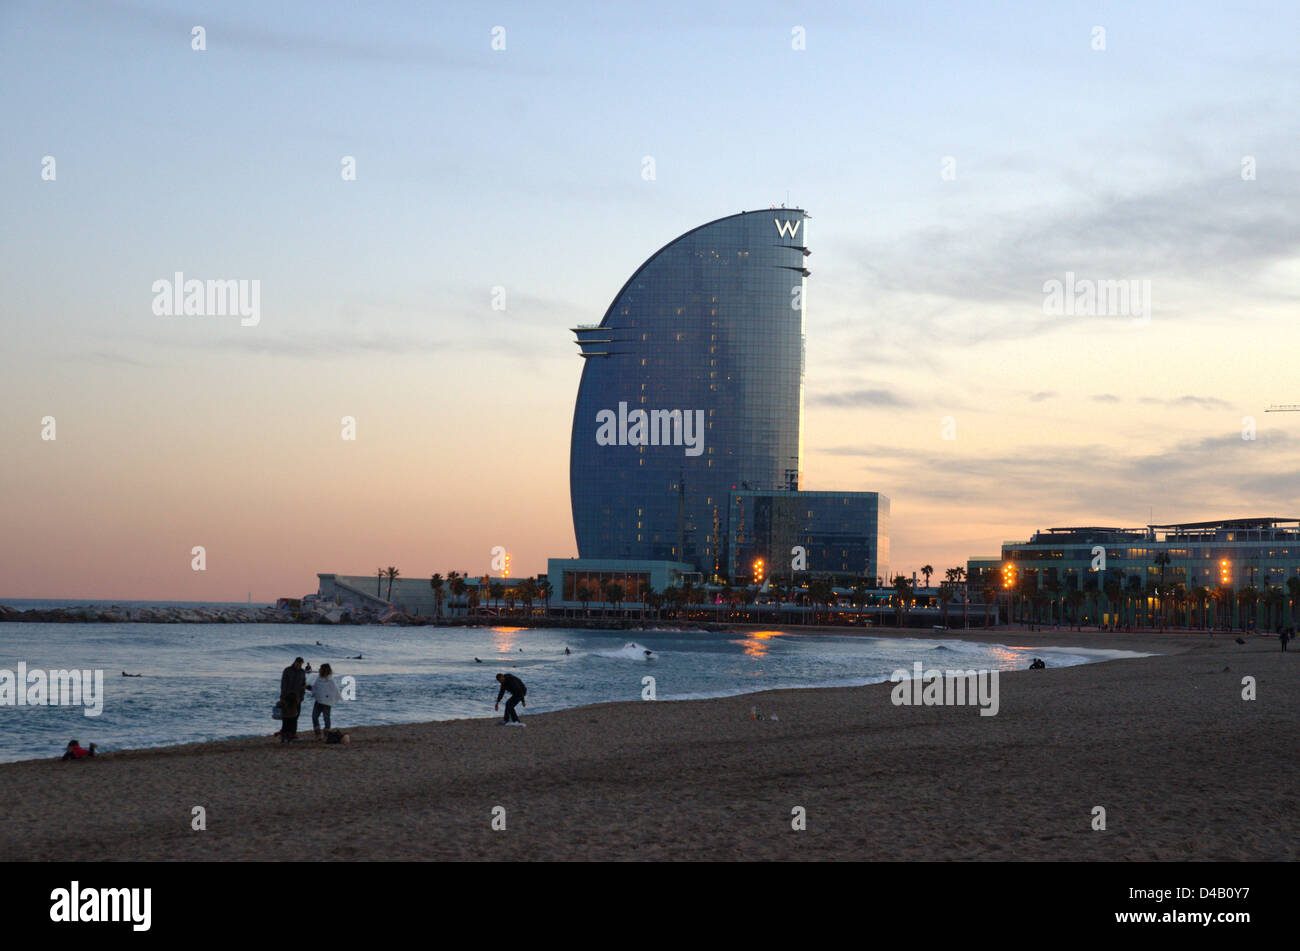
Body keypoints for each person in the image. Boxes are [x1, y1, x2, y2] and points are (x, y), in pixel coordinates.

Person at [279, 657, 307, 743]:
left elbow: (303, 685)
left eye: (301, 664)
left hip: (297, 698)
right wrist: (283, 697)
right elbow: (283, 684)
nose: (299, 665)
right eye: (298, 664)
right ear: (295, 662)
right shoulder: (287, 670)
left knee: (295, 716)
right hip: (287, 698)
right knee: (286, 717)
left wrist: (302, 696)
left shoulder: (302, 672)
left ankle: (292, 734)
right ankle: (284, 735)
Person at [309, 663, 341, 739]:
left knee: (326, 717)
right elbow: (315, 688)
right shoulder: (318, 678)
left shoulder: (330, 680)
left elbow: (334, 690)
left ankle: (326, 734)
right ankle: (318, 733)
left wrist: (330, 699)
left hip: (327, 702)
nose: (319, 670)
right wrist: (311, 689)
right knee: (314, 716)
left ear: (324, 670)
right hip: (319, 700)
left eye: (321, 668)